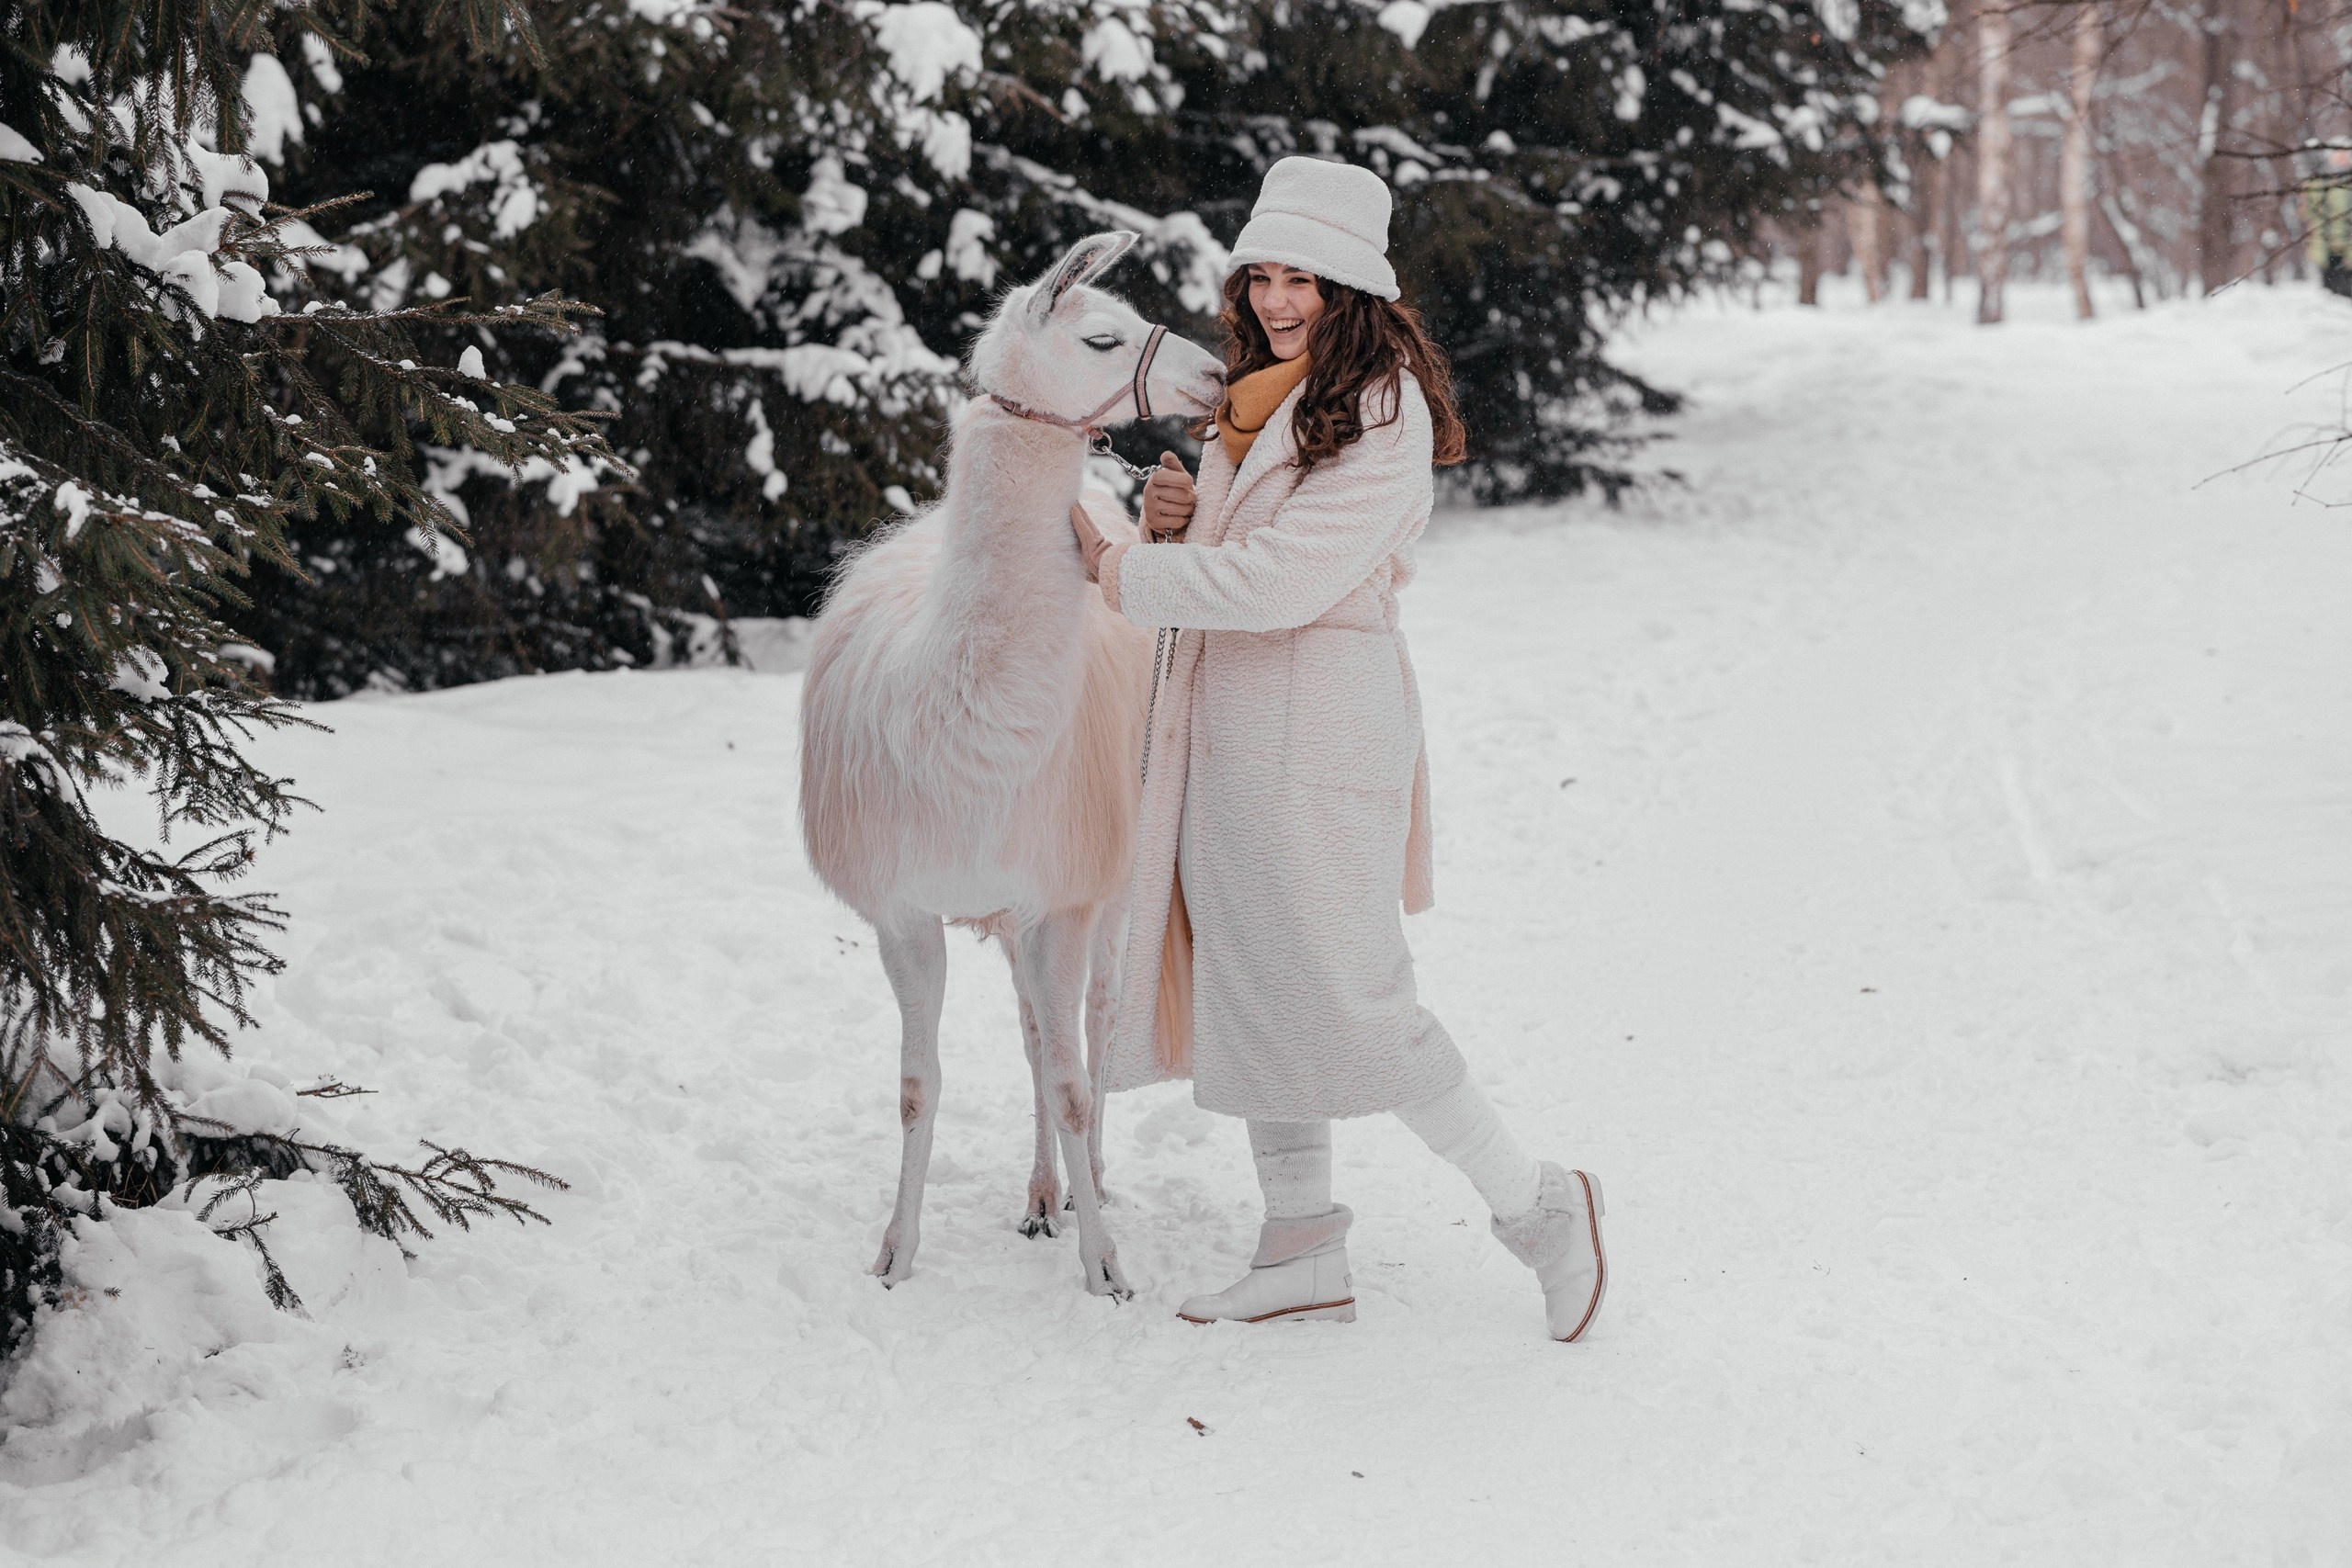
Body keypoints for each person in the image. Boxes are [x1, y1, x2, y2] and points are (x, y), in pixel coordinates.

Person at [1066, 156, 1608, 1342]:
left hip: (1316, 723)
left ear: (1351, 283)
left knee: (1355, 1002)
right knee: (1252, 986)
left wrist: (1126, 568)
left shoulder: (1382, 406)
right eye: (1260, 272)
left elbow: (1282, 578)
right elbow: (1246, 537)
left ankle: (1541, 1206)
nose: (1273, 297)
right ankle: (1302, 1242)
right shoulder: (1272, 392)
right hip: (1230, 721)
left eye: (1300, 275)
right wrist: (1179, 512)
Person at [2308, 147, 2352, 299]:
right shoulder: (2317, 184)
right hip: (2326, 247)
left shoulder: (2319, 184)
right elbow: (2307, 212)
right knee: (2331, 293)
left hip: (2345, 246)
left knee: (2344, 293)